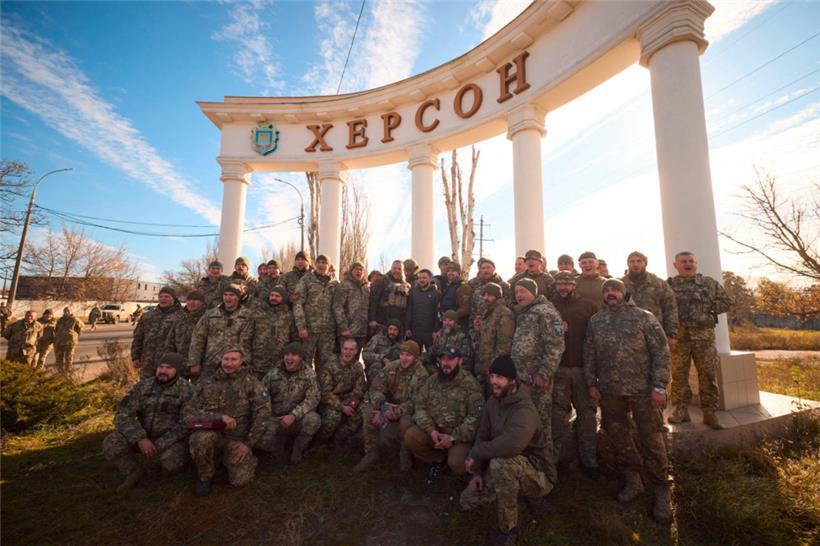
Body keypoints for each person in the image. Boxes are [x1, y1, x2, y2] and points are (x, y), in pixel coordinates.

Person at [583, 279, 672, 523]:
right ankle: (633, 479)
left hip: (643, 392)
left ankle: (661, 488)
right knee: (618, 436)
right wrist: (592, 383)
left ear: (624, 293)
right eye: (607, 291)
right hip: (610, 392)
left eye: (615, 290)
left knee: (651, 438)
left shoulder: (644, 317)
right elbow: (589, 353)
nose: (611, 293)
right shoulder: (597, 321)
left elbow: (661, 353)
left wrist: (659, 386)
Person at [460, 356, 556, 545]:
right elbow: (483, 435)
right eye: (492, 376)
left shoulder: (524, 409)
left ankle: (509, 529)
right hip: (508, 464)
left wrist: (476, 453)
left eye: (500, 377)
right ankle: (517, 494)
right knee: (467, 501)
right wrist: (477, 472)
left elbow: (511, 446)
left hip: (538, 473)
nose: (494, 381)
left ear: (512, 380)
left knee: (500, 464)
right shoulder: (492, 402)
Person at [185, 347, 271, 497]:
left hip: (237, 441)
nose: (229, 363)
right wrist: (218, 417)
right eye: (226, 359)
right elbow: (188, 412)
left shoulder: (252, 384)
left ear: (241, 361)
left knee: (240, 481)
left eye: (233, 360)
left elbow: (263, 415)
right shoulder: (206, 383)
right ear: (221, 360)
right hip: (212, 436)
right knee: (200, 439)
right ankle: (205, 476)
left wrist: (248, 444)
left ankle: (235, 460)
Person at [102, 353, 192, 492]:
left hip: (169, 440)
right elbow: (123, 414)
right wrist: (140, 438)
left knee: (171, 463)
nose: (163, 371)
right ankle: (133, 472)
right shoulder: (143, 386)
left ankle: (161, 476)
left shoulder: (187, 390)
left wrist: (160, 444)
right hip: (142, 436)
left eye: (169, 368)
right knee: (111, 443)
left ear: (177, 371)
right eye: (160, 367)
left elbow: (187, 423)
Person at [667, 251, 732, 429]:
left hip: (704, 339)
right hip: (679, 340)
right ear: (676, 265)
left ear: (695, 263)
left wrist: (708, 308)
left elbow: (727, 302)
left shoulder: (709, 283)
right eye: (683, 261)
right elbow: (663, 308)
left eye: (691, 261)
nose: (688, 264)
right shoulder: (669, 286)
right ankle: (681, 410)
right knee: (678, 376)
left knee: (708, 375)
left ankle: (709, 412)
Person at [405, 345, 483, 484]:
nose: (446, 363)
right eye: (443, 359)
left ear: (460, 361)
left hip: (458, 438)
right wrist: (432, 431)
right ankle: (438, 459)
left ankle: (456, 465)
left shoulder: (470, 384)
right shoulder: (432, 381)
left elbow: (475, 418)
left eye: (450, 359)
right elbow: (420, 406)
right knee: (411, 436)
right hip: (436, 432)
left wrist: (452, 438)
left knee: (457, 463)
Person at [549, 272, 599, 476]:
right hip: (558, 370)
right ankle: (554, 462)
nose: (563, 287)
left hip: (582, 370)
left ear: (574, 285)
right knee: (557, 417)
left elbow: (597, 338)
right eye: (560, 283)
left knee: (587, 416)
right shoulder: (547, 307)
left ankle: (590, 461)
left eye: (567, 283)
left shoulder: (588, 307)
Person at [353, 340, 429, 473]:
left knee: (407, 423)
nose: (404, 358)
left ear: (416, 358)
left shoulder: (421, 374)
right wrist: (383, 406)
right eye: (402, 354)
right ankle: (371, 452)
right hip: (388, 405)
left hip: (407, 410)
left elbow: (417, 401)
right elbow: (375, 388)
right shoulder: (391, 367)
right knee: (368, 411)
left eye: (409, 355)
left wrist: (396, 412)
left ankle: (405, 454)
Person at [510, 278, 564, 460]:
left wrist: (544, 373)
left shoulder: (545, 312)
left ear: (534, 292)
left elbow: (555, 345)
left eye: (522, 291)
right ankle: (530, 459)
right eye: (516, 292)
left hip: (538, 379)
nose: (518, 295)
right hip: (522, 378)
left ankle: (545, 462)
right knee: (527, 419)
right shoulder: (525, 313)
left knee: (541, 421)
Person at [259, 342, 321, 464]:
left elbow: (313, 399)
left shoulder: (309, 374)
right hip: (275, 417)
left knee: (313, 420)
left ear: (301, 357)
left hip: (297, 418)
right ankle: (279, 446)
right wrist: (269, 414)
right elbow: (262, 395)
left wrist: (293, 415)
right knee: (261, 440)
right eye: (287, 354)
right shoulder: (273, 373)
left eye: (294, 355)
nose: (289, 358)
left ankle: (297, 450)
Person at [187, 284, 255, 380]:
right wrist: (194, 362)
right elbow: (198, 338)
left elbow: (250, 341)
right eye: (225, 295)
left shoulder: (248, 316)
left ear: (238, 298)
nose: (227, 298)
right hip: (211, 364)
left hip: (237, 366)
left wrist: (247, 363)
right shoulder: (211, 315)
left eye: (231, 295)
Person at [293, 254, 338, 373]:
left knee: (325, 364)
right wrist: (301, 327)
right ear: (315, 264)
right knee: (306, 362)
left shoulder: (334, 283)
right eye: (319, 262)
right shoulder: (306, 280)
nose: (321, 265)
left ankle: (323, 390)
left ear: (328, 266)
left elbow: (338, 306)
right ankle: (308, 388)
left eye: (324, 263)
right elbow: (298, 304)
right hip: (310, 330)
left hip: (328, 331)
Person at [317, 338, 367, 442]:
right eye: (346, 349)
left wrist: (353, 402)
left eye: (351, 350)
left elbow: (360, 387)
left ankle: (339, 439)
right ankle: (320, 441)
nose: (348, 352)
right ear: (341, 349)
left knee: (364, 409)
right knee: (334, 416)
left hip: (348, 398)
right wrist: (342, 407)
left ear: (356, 351)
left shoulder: (357, 366)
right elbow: (325, 393)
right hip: (330, 401)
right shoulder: (330, 365)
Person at [621, 251, 679, 339]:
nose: (635, 264)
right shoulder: (621, 284)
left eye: (639, 261)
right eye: (632, 261)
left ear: (645, 263)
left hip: (655, 333)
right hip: (628, 334)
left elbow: (670, 308)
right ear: (628, 264)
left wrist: (671, 333)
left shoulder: (659, 284)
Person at [132, 286, 184, 379]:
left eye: (167, 296)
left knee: (166, 391)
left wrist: (182, 364)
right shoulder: (148, 316)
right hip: (147, 364)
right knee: (145, 390)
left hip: (169, 366)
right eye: (161, 296)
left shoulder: (181, 317)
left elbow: (183, 344)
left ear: (173, 299)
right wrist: (135, 357)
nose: (163, 299)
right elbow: (138, 337)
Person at [474, 283, 514, 392]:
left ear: (497, 296)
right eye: (484, 295)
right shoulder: (488, 312)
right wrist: (478, 329)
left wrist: (493, 367)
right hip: (485, 366)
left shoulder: (504, 313)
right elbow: (485, 339)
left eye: (490, 295)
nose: (486, 298)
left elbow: (504, 345)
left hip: (494, 369)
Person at [249, 286, 294, 380]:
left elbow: (294, 339)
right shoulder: (257, 313)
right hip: (258, 363)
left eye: (277, 296)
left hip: (280, 364)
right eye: (272, 295)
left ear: (283, 298)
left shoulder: (289, 316)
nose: (273, 298)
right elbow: (247, 337)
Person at [467, 258, 511, 344]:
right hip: (479, 328)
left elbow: (508, 306)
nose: (485, 270)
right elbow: (473, 309)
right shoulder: (477, 286)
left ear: (493, 268)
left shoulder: (503, 285)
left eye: (488, 267)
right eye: (483, 268)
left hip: (496, 326)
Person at [165, 290, 208, 371]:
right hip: (180, 363)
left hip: (200, 365)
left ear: (202, 302)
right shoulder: (180, 318)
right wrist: (170, 361)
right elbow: (170, 341)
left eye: (195, 300)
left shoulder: (208, 318)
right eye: (189, 300)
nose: (191, 303)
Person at [333, 260, 370, 351]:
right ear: (351, 271)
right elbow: (337, 307)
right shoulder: (344, 285)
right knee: (344, 357)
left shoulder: (366, 288)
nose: (359, 271)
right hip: (348, 331)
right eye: (356, 269)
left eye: (361, 269)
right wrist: (343, 327)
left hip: (361, 332)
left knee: (355, 360)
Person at [405, 268, 441, 353]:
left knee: (432, 356)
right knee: (414, 355)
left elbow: (439, 314)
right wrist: (407, 328)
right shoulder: (413, 294)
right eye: (420, 278)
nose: (422, 280)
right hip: (415, 331)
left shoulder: (437, 294)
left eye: (424, 278)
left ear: (430, 279)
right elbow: (409, 311)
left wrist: (436, 330)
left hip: (430, 332)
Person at [426, 310, 473, 375]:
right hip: (441, 370)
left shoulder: (462, 337)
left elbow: (467, 362)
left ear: (456, 322)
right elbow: (431, 353)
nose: (447, 323)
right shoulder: (441, 335)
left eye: (450, 320)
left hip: (456, 373)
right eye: (445, 320)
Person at [368, 259, 410, 331]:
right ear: (391, 269)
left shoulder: (406, 286)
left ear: (403, 271)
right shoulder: (382, 281)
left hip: (399, 323)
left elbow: (408, 307)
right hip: (382, 321)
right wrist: (372, 319)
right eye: (394, 268)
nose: (396, 271)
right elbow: (373, 301)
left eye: (399, 269)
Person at [439, 261, 473, 331]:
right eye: (448, 271)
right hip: (448, 325)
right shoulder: (448, 287)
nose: (450, 273)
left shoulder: (463, 288)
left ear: (459, 272)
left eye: (453, 271)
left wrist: (450, 317)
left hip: (459, 326)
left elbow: (465, 309)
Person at [54, 306, 83, 371]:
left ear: (71, 312)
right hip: (60, 342)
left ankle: (68, 373)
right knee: (59, 358)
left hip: (70, 342)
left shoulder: (75, 319)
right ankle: (60, 373)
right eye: (65, 311)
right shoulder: (60, 320)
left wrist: (74, 336)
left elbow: (80, 329)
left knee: (68, 358)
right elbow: (56, 329)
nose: (67, 312)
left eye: (68, 311)